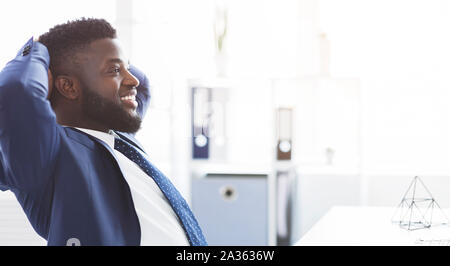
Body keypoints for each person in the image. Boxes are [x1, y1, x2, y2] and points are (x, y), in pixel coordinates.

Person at [0, 18, 207, 246]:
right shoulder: (46, 152)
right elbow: (18, 90)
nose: (133, 79)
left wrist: (98, 52)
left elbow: (143, 85)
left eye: (126, 68)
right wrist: (35, 49)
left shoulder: (120, 139)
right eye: (115, 70)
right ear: (68, 86)